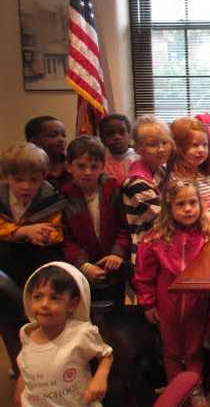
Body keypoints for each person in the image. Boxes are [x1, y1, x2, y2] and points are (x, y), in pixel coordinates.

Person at [134, 179, 210, 406]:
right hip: (167, 304)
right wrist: (148, 303)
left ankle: (195, 389)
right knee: (171, 351)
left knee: (195, 349)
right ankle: (176, 392)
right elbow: (144, 275)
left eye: (192, 203)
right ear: (169, 208)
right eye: (181, 204)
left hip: (198, 304)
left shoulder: (206, 235)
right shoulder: (155, 239)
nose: (188, 209)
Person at [0, 143, 66, 378]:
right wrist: (24, 231)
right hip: (5, 264)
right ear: (6, 177)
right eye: (18, 180)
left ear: (43, 177)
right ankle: (18, 365)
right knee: (9, 318)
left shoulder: (49, 197)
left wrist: (44, 235)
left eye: (34, 179)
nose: (26, 186)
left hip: (38, 261)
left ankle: (44, 364)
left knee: (40, 314)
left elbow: (58, 230)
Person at [15, 262, 113, 407]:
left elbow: (106, 354)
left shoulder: (81, 333)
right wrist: (19, 392)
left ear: (72, 305)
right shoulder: (26, 333)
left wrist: (100, 377)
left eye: (54, 298)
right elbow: (27, 364)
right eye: (37, 296)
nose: (44, 304)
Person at [61, 136, 130, 305]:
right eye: (81, 166)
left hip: (113, 263)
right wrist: (83, 264)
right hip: (83, 268)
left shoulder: (113, 188)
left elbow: (125, 225)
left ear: (103, 166)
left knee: (115, 309)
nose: (87, 172)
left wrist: (117, 252)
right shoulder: (64, 196)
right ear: (69, 166)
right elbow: (66, 237)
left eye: (94, 166)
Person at [122, 115, 173, 262]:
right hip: (147, 252)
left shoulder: (160, 170)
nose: (161, 149)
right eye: (153, 144)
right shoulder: (137, 182)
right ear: (137, 148)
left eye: (165, 142)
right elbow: (163, 218)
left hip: (166, 243)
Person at [169, 117, 210, 227]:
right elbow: (198, 216)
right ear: (179, 147)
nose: (201, 150)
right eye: (195, 145)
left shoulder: (205, 176)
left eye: (204, 145)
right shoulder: (176, 181)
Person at [25, 115, 70, 189]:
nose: (61, 139)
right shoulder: (25, 169)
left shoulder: (74, 165)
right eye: (53, 135)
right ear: (33, 141)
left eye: (63, 135)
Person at [99, 113, 139, 185]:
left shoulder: (139, 158)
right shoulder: (100, 161)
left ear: (129, 135)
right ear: (102, 138)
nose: (117, 137)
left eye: (122, 132)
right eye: (111, 133)